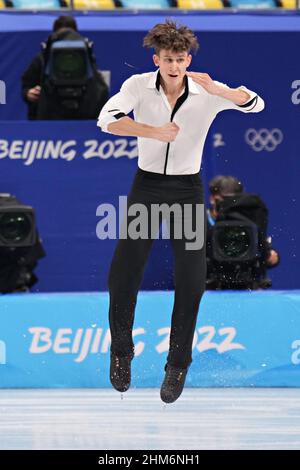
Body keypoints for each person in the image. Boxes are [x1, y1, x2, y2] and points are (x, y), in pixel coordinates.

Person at [97, 20, 265, 403]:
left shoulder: (206, 91)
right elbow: (106, 120)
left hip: (186, 191)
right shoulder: (139, 85)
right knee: (124, 273)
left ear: (188, 60)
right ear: (156, 59)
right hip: (148, 187)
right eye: (167, 59)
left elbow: (256, 104)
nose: (173, 65)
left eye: (180, 59)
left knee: (191, 279)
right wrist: (152, 132)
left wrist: (220, 89)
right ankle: (121, 351)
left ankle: (177, 365)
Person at [21, 15, 108, 120]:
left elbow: (99, 89)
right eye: (61, 36)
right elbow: (27, 85)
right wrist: (29, 93)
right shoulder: (43, 59)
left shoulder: (85, 58)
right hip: (49, 115)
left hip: (82, 115)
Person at [206, 175, 279, 289]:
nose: (228, 205)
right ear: (212, 198)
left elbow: (265, 255)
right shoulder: (200, 222)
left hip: (249, 286)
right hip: (212, 287)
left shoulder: (251, 223)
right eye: (223, 201)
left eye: (233, 201)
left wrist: (269, 256)